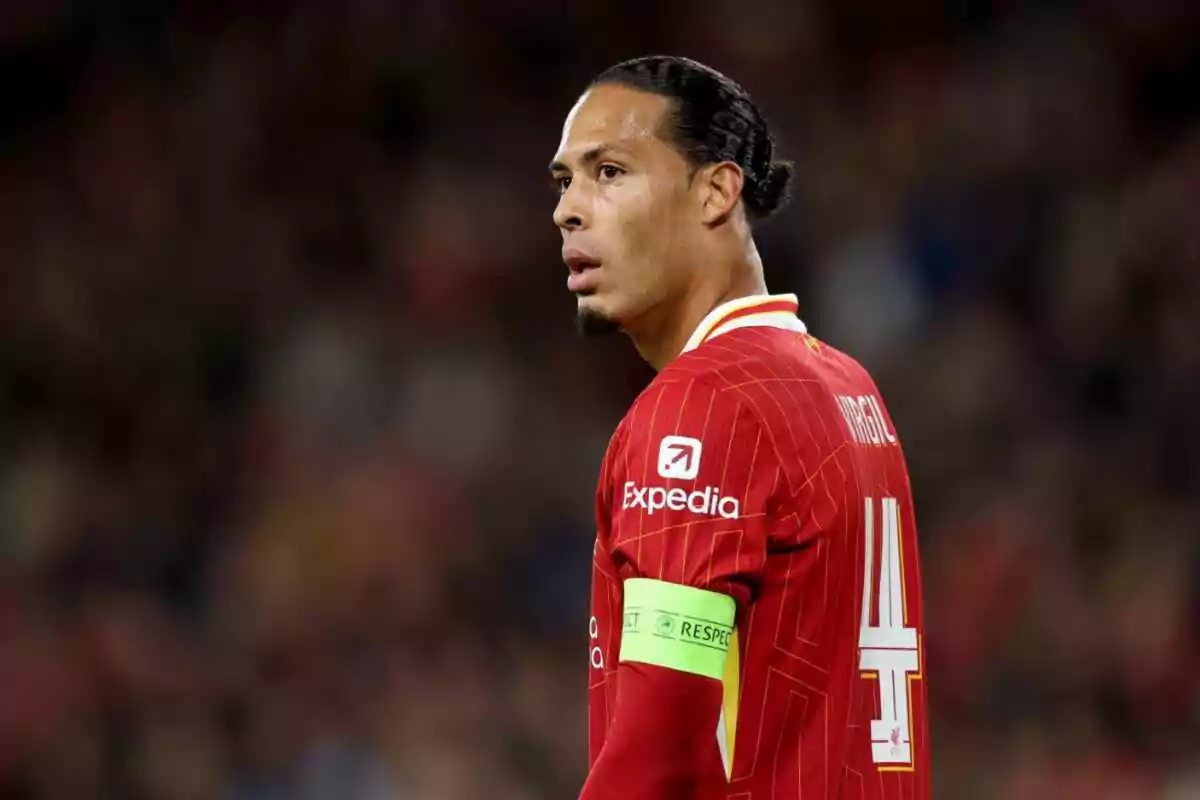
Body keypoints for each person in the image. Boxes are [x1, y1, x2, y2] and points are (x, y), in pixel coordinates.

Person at [549, 55, 931, 799]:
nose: (567, 208)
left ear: (717, 191)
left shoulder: (704, 405)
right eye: (565, 181)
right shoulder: (848, 387)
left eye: (611, 171)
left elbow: (662, 754)